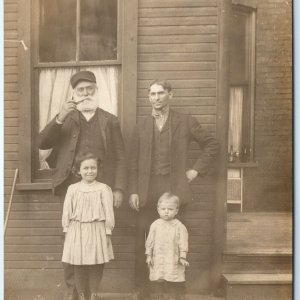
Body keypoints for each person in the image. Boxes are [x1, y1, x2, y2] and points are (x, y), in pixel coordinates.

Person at [39, 70, 127, 300]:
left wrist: (118, 188)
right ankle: (72, 293)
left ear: (96, 90)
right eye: (81, 90)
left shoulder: (110, 120)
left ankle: (92, 292)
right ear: (74, 93)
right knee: (70, 240)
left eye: (90, 89)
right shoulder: (66, 118)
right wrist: (59, 117)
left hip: (100, 190)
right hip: (71, 188)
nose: (85, 94)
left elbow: (120, 157)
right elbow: (42, 142)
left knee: (99, 240)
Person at [128, 79, 219, 299]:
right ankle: (145, 291)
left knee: (176, 242)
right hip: (146, 190)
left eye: (160, 93)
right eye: (152, 94)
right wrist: (133, 190)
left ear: (171, 95)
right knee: (146, 239)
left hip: (174, 190)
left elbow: (212, 144)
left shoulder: (185, 121)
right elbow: (133, 160)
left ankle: (175, 293)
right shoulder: (141, 125)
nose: (156, 98)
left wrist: (195, 170)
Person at [62, 152, 115, 300]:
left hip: (97, 229)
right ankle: (81, 294)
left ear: (98, 169)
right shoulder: (73, 189)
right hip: (76, 230)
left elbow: (109, 212)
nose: (90, 171)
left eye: (93, 167)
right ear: (78, 170)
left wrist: (108, 231)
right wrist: (67, 230)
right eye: (85, 168)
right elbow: (67, 211)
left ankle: (94, 294)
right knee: (78, 263)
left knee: (96, 263)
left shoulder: (104, 189)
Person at [146, 193, 189, 300]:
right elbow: (149, 241)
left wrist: (182, 257)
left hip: (172, 259)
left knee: (172, 280)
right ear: (158, 209)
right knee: (159, 279)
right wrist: (149, 256)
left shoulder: (179, 226)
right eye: (163, 209)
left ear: (176, 211)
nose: (166, 211)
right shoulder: (155, 225)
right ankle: (159, 297)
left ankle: (172, 298)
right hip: (158, 258)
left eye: (170, 209)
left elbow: (183, 242)